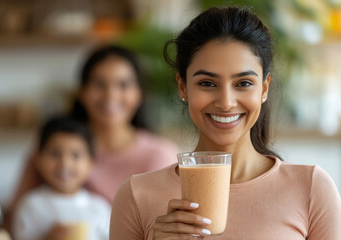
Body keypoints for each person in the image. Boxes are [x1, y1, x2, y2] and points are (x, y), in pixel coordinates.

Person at [110, 6, 341, 240]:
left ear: (264, 88)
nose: (226, 103)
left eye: (243, 83)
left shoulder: (312, 189)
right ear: (182, 86)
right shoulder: (136, 195)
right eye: (207, 83)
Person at [6, 45, 178, 231]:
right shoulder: (54, 147)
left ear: (139, 94)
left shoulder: (160, 156)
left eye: (123, 84)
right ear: (81, 92)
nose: (110, 95)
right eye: (99, 84)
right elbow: (13, 222)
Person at [12, 116, 110, 240]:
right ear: (38, 159)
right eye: (55, 154)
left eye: (75, 155)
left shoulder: (99, 208)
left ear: (91, 163)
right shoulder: (31, 206)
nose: (64, 164)